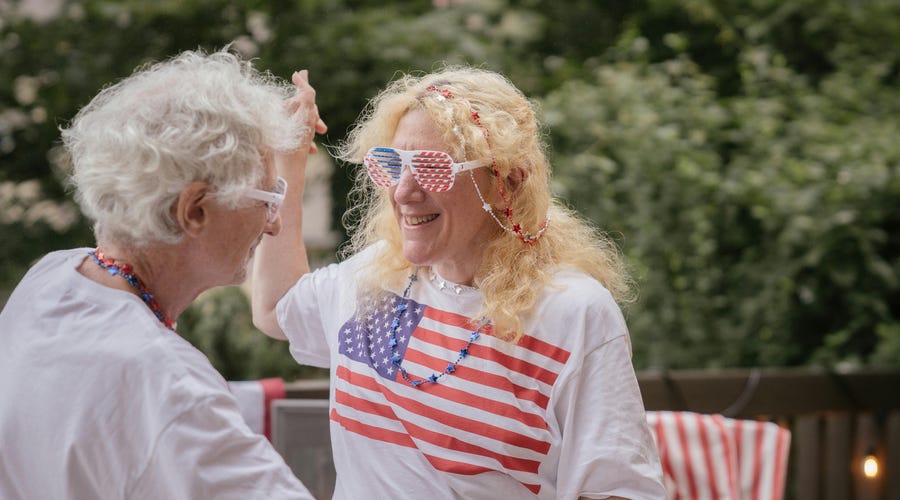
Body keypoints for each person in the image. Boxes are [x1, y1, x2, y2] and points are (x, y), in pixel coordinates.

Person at [252, 66, 666, 499]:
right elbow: (276, 308)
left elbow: (618, 491)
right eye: (392, 164)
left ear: (507, 181)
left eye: (432, 167)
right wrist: (289, 159)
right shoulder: (374, 277)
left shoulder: (573, 311)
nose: (402, 191)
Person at [0, 49, 326, 499]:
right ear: (193, 210)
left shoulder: (52, 278)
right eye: (267, 199)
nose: (272, 223)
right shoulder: (171, 389)